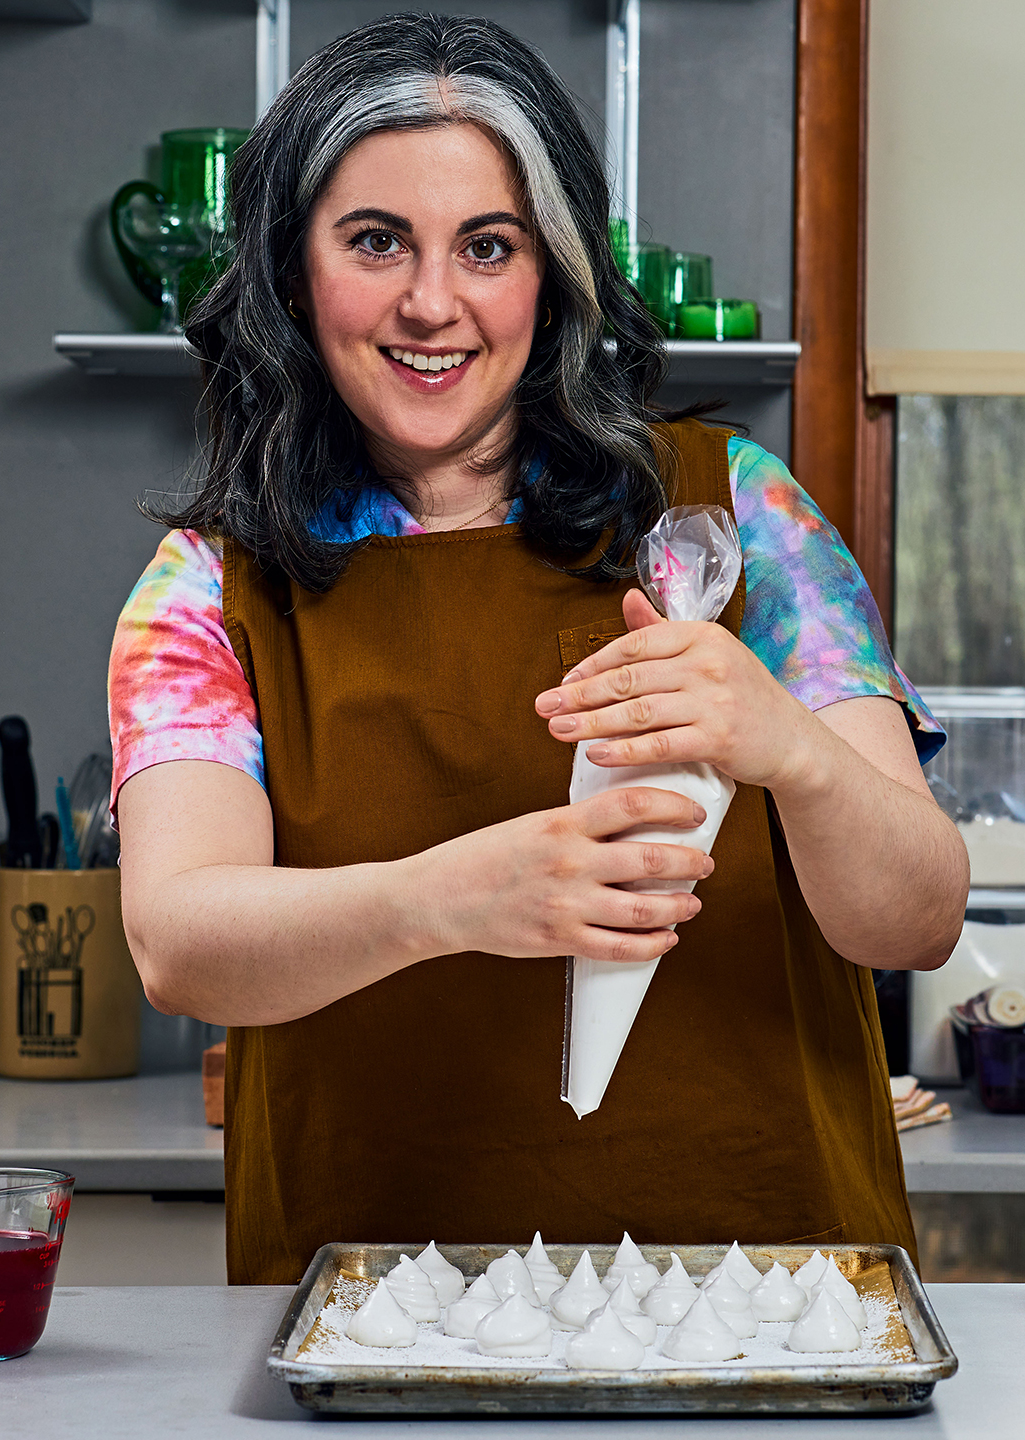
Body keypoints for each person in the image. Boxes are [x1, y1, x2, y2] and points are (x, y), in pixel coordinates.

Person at [110, 13, 968, 1284]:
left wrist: (797, 753)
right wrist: (453, 899)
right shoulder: (212, 586)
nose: (432, 301)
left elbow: (916, 921)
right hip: (377, 1304)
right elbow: (179, 943)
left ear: (550, 275)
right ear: (295, 273)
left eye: (488, 246)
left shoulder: (735, 513)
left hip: (769, 1300)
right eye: (375, 240)